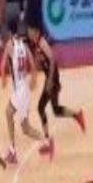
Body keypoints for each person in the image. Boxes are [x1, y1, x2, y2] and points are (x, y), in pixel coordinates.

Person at [27, 23, 85, 151]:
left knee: (40, 108)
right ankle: (77, 115)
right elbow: (41, 63)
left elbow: (53, 58)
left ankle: (48, 142)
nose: (28, 34)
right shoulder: (37, 45)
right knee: (56, 110)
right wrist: (35, 74)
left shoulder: (42, 42)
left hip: (52, 79)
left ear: (36, 31)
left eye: (30, 31)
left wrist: (49, 80)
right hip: (52, 78)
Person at [0, 20, 52, 164]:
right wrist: (33, 80)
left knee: (8, 113)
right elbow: (33, 65)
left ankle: (12, 151)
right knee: (25, 127)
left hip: (18, 89)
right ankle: (46, 142)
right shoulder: (24, 45)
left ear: (9, 32)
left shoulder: (10, 44)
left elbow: (2, 65)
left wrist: (3, 79)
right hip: (24, 88)